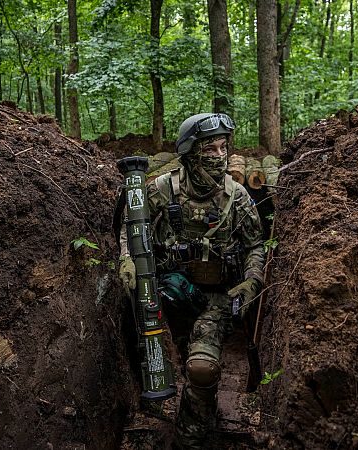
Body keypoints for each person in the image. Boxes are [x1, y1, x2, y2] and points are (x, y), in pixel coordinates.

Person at [117, 113, 265, 448]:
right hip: (172, 296)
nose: (219, 154)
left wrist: (251, 281)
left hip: (216, 299)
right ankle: (203, 407)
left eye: (223, 146)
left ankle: (189, 438)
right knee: (186, 357)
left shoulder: (237, 196)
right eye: (209, 148)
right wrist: (126, 259)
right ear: (190, 152)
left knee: (201, 368)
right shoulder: (164, 188)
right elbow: (131, 220)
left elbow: (257, 244)